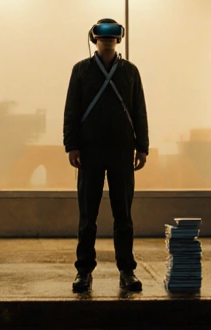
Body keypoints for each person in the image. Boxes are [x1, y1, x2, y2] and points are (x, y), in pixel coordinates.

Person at [63, 18, 149, 293]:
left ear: (119, 39)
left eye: (114, 34)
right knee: (87, 215)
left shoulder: (130, 72)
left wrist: (142, 146)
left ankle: (126, 270)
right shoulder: (81, 71)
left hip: (122, 151)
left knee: (123, 214)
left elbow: (139, 111)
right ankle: (84, 271)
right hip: (89, 151)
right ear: (94, 38)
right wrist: (71, 145)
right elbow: (71, 111)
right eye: (103, 34)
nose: (108, 39)